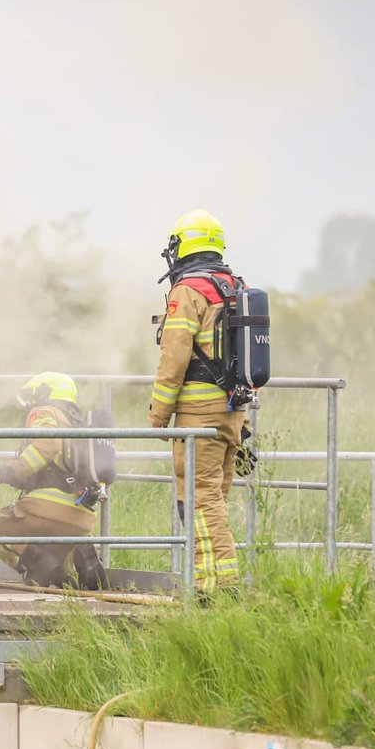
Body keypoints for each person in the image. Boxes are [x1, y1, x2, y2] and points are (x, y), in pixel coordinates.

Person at [148, 210, 248, 593]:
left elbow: (173, 358)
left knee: (200, 502)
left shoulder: (188, 290)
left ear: (183, 245)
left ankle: (219, 590)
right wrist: (246, 421)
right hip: (232, 412)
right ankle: (211, 584)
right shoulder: (232, 285)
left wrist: (158, 415)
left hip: (199, 413)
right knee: (215, 501)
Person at [0, 372, 106, 590]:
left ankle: (43, 568)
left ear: (45, 392)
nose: (30, 402)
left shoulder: (44, 411)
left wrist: (7, 472)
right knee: (55, 541)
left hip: (47, 506)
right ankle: (79, 552)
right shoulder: (77, 422)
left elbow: (47, 443)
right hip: (82, 514)